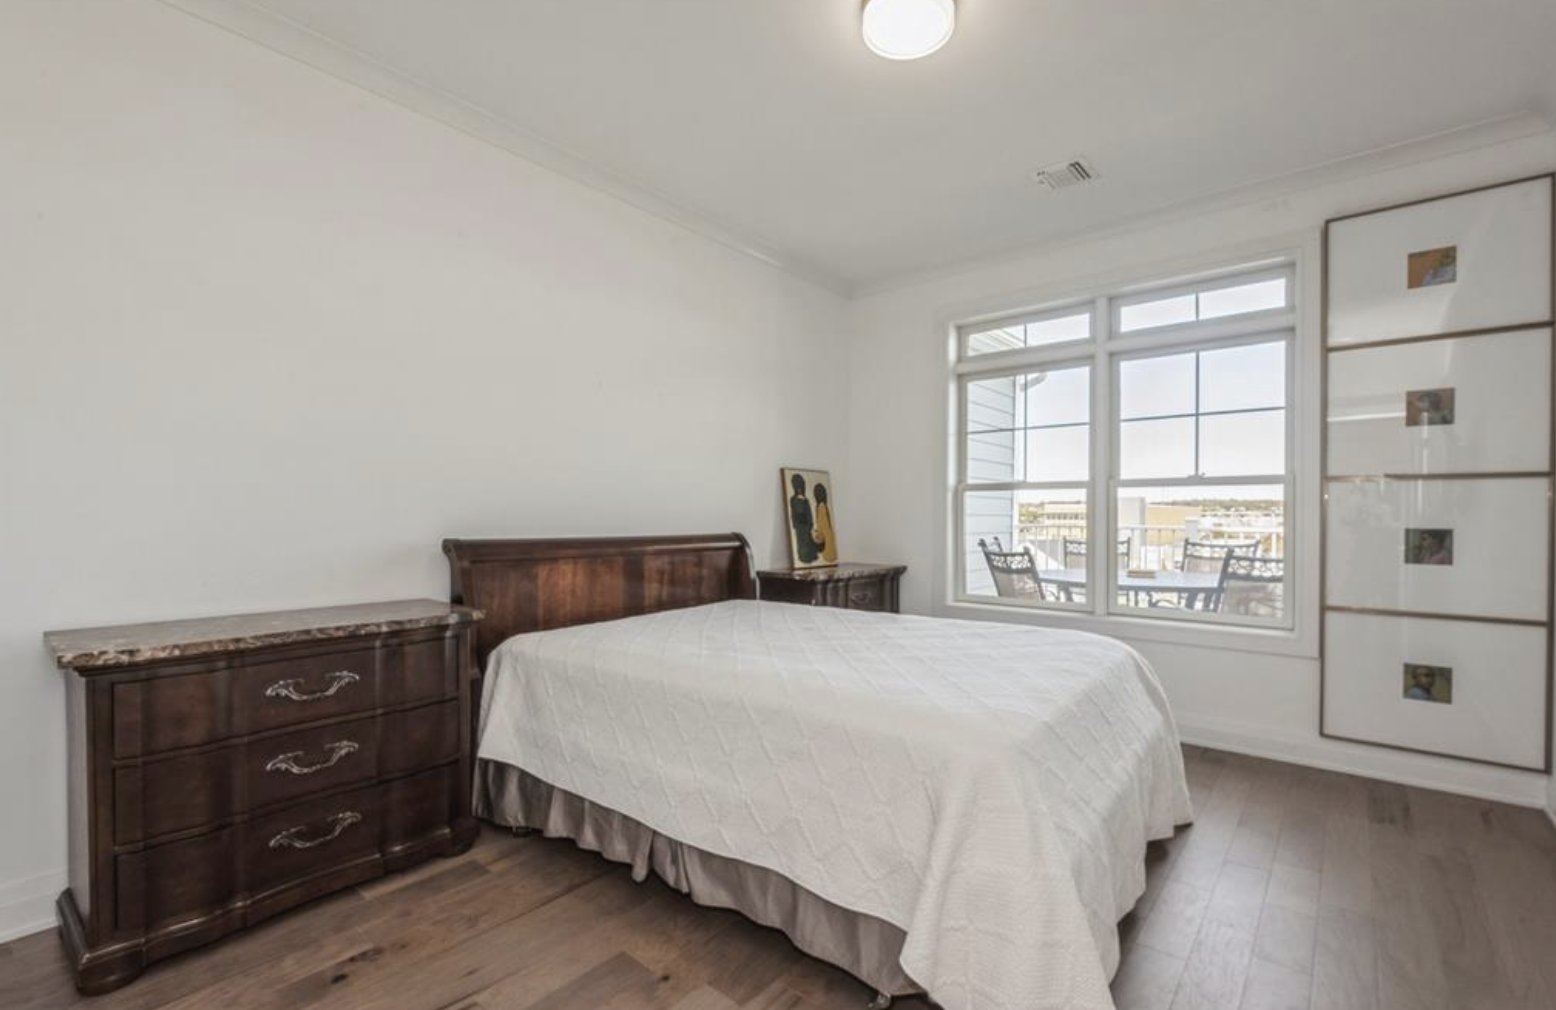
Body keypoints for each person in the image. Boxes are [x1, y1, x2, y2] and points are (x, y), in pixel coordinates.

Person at [788, 473, 820, 564]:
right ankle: (803, 557)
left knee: (808, 541)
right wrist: (796, 524)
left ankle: (810, 556)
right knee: (802, 542)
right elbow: (794, 513)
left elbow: (809, 513)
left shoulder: (806, 499)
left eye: (801, 486)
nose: (799, 489)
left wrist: (811, 524)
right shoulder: (793, 499)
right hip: (800, 526)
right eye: (798, 486)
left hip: (807, 525)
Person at [812, 482, 837, 564]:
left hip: (826, 536)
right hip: (828, 535)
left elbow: (822, 525)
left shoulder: (821, 507)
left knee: (828, 555)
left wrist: (818, 535)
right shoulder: (823, 506)